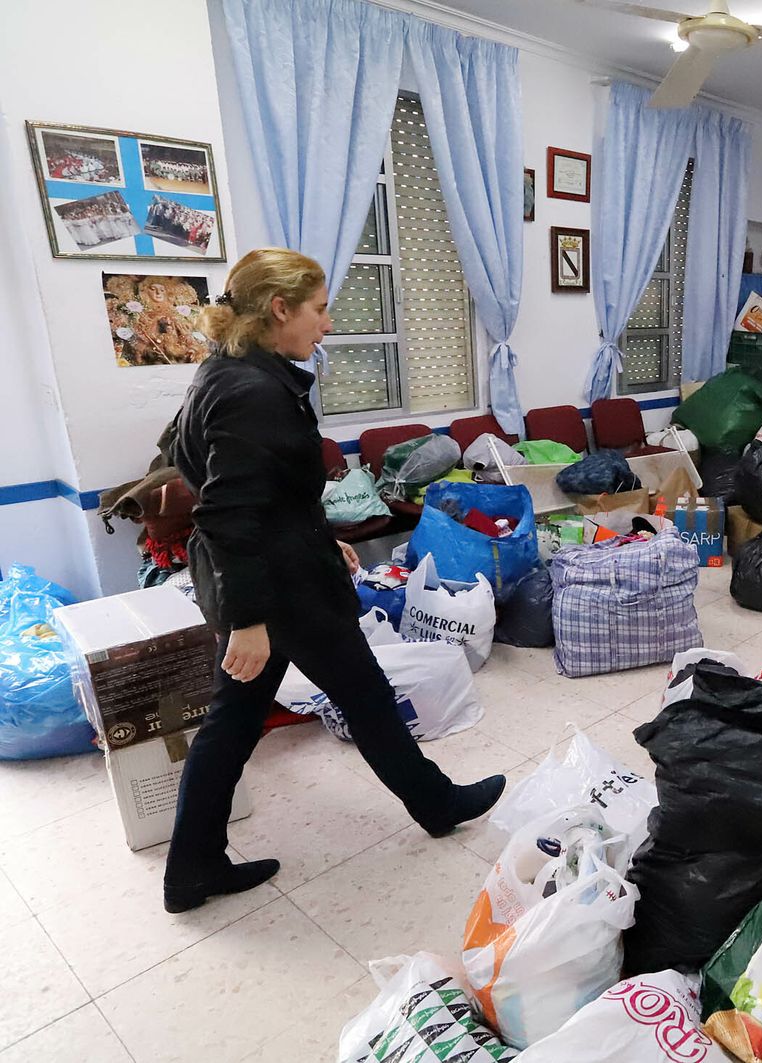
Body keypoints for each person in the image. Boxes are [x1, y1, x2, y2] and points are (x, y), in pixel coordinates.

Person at [164, 247, 504, 914]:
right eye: (319, 310)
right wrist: (250, 620)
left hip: (283, 572)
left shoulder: (228, 372)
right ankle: (436, 803)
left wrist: (322, 539)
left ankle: (191, 867)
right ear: (279, 309)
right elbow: (227, 511)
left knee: (233, 722)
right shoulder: (253, 393)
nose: (326, 324)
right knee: (363, 697)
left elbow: (256, 488)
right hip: (280, 591)